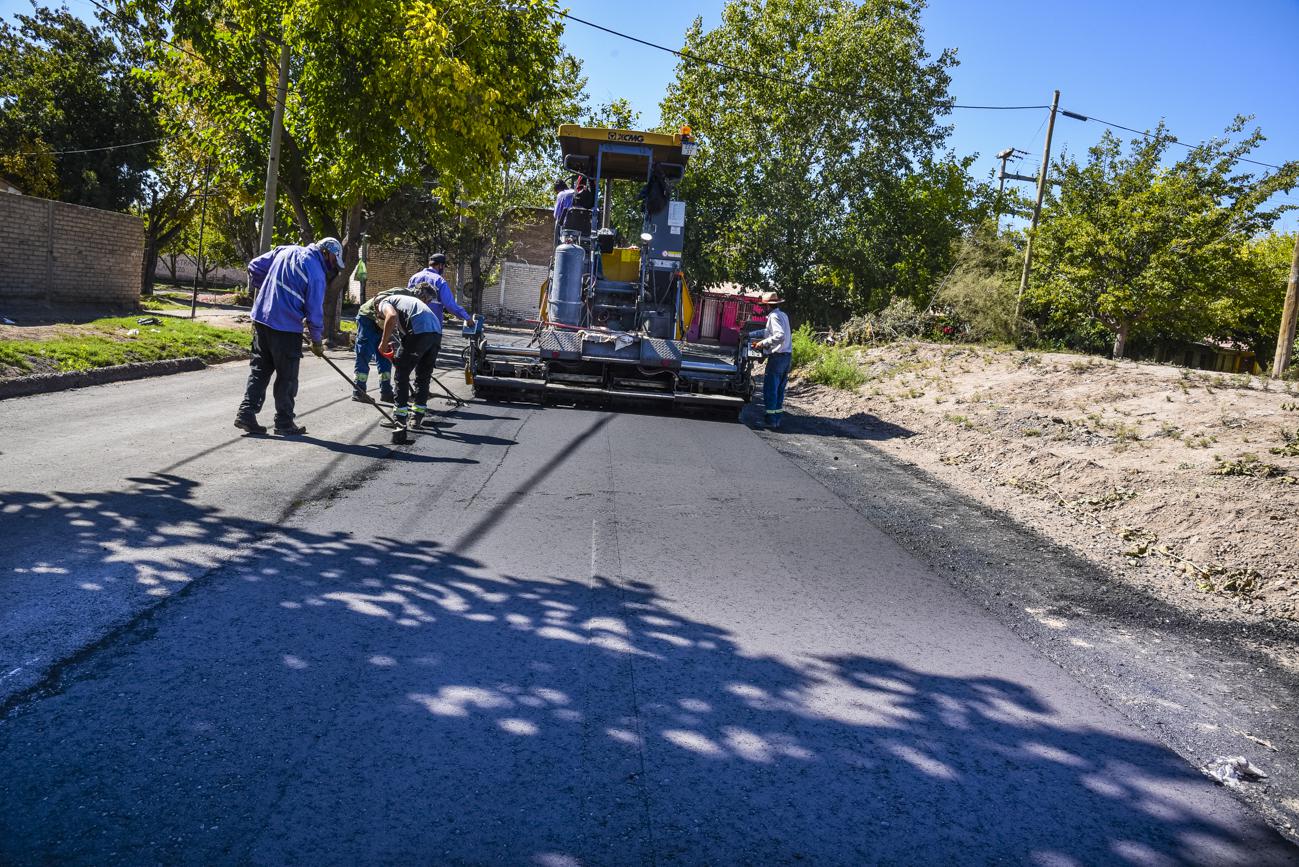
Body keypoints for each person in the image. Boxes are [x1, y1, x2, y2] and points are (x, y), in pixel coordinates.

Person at [235, 237, 344, 436]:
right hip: (286, 328)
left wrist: (268, 291)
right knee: (287, 377)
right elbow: (314, 312)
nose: (333, 267)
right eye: (334, 261)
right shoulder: (317, 274)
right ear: (327, 253)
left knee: (260, 370)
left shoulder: (285, 250)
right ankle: (284, 423)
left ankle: (246, 413)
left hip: (262, 319)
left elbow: (254, 266)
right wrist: (317, 341)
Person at [377, 292, 440, 435]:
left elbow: (391, 316)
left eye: (379, 315)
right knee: (423, 377)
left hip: (420, 332)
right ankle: (416, 418)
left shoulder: (383, 302)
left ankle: (399, 419)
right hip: (436, 333)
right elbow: (406, 338)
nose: (380, 317)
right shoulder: (406, 302)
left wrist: (383, 342)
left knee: (401, 376)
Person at [352, 285, 424, 403]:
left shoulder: (413, 305)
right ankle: (359, 392)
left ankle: (386, 392)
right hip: (368, 319)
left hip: (384, 324)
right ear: (422, 295)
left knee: (385, 358)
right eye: (427, 300)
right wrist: (382, 317)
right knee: (364, 354)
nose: (426, 303)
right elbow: (380, 299)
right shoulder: (403, 293)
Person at [406, 253, 472, 371]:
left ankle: (406, 387)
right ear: (440, 266)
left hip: (413, 326)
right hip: (432, 328)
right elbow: (450, 305)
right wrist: (467, 317)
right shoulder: (439, 281)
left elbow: (407, 300)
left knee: (410, 362)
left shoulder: (414, 278)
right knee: (426, 365)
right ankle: (421, 388)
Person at [749, 291, 792, 430]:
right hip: (786, 357)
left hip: (777, 357)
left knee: (770, 389)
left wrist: (762, 343)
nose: (763, 308)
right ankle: (777, 419)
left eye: (764, 306)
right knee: (780, 389)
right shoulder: (782, 315)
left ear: (767, 306)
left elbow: (779, 335)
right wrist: (749, 334)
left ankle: (770, 420)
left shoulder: (773, 316)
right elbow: (769, 332)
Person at [552, 179, 574, 244]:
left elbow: (556, 215)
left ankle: (556, 247)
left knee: (557, 223)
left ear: (558, 190)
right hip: (583, 227)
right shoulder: (576, 192)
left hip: (567, 227)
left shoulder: (561, 194)